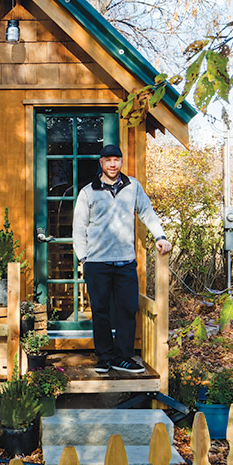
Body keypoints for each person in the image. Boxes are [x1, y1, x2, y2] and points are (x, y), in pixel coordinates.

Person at [72, 144, 172, 374]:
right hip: (96, 263)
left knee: (127, 309)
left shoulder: (132, 186)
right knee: (101, 311)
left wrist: (161, 236)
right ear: (101, 163)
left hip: (125, 262)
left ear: (121, 161)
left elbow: (147, 211)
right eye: (108, 160)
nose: (113, 164)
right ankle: (104, 357)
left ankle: (123, 357)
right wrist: (84, 258)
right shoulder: (88, 191)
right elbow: (79, 228)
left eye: (116, 159)